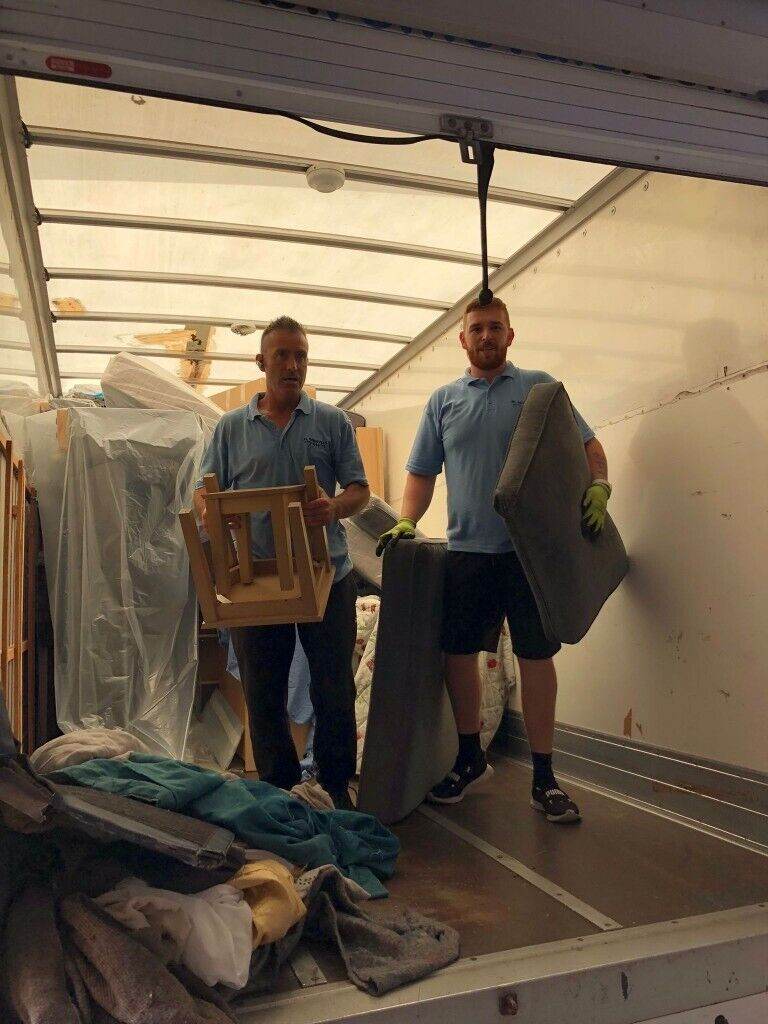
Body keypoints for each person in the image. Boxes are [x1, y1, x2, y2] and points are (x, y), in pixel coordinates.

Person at [377, 297, 611, 822]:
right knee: (458, 654)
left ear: (510, 334)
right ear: (462, 339)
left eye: (495, 327)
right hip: (467, 554)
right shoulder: (443, 401)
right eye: (477, 328)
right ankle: (469, 758)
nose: (486, 335)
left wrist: (600, 485)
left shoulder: (539, 388)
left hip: (529, 556)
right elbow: (421, 473)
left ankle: (544, 777)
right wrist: (408, 520)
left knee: (536, 658)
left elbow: (589, 444)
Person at [194, 316, 370, 810]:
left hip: (326, 574)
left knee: (333, 688)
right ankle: (280, 792)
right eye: (282, 356)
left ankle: (334, 789)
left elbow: (359, 491)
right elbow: (205, 490)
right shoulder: (231, 427)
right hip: (258, 581)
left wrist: (333, 507)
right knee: (263, 693)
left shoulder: (331, 422)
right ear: (261, 362)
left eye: (301, 356)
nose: (293, 365)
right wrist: (211, 510)